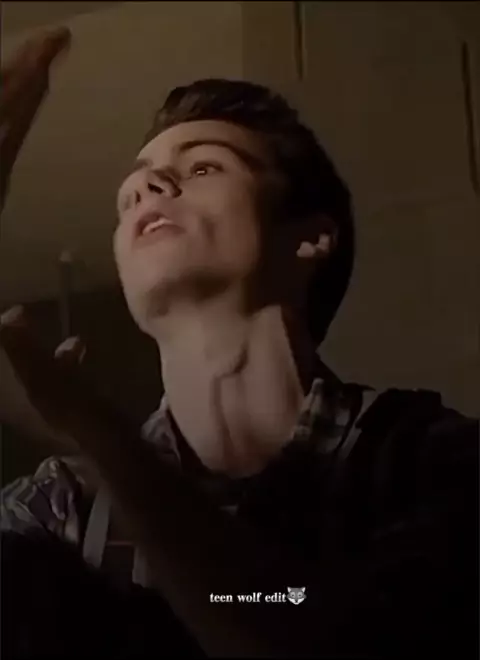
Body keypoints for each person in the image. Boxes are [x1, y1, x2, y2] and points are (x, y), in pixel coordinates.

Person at [1, 27, 478, 659]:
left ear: (310, 236)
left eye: (202, 167)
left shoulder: (428, 458)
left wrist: (101, 437)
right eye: (131, 191)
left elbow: (297, 625)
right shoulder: (60, 506)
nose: (145, 188)